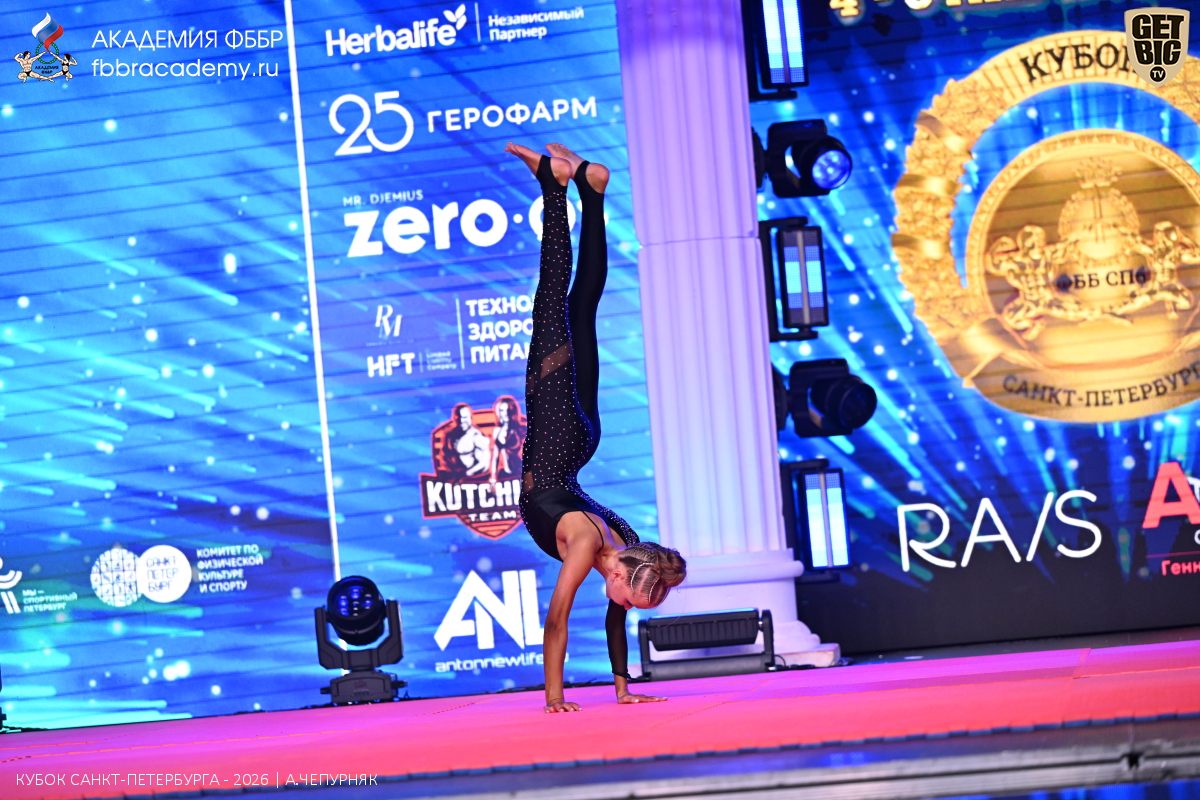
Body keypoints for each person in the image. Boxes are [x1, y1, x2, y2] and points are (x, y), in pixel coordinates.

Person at [505, 141, 687, 713]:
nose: (625, 607)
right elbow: (556, 620)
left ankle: (593, 189)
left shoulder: (630, 547)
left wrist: (623, 688)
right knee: (551, 301)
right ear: (624, 577)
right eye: (631, 600)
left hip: (579, 442)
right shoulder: (591, 547)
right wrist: (554, 698)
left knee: (580, 309)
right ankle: (554, 186)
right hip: (557, 434)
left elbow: (613, 618)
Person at [443, 403, 490, 477]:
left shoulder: (476, 435)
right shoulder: (450, 435)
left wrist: (467, 473)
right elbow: (445, 456)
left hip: (473, 477)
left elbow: (485, 462)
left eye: (464, 417)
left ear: (470, 418)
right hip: (454, 475)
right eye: (458, 417)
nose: (461, 420)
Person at [489, 395, 525, 482]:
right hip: (505, 474)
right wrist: (493, 477)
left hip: (520, 473)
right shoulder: (497, 431)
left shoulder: (521, 430)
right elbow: (495, 457)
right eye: (502, 410)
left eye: (508, 410)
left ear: (513, 411)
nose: (505, 413)